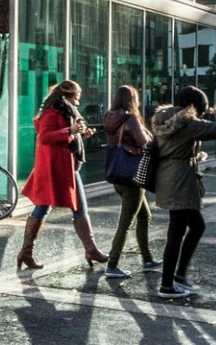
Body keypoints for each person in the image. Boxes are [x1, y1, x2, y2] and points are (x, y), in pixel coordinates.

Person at [149, 86, 216, 300]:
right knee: (178, 232)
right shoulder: (188, 121)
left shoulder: (164, 118)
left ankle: (178, 276)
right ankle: (168, 284)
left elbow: (175, 147)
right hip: (180, 181)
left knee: (192, 227)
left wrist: (193, 155)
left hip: (168, 176)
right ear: (197, 105)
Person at [17, 80, 107, 271]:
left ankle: (27, 252)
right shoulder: (52, 113)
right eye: (76, 98)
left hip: (64, 167)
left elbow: (65, 135)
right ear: (66, 96)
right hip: (56, 169)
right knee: (57, 208)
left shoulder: (66, 112)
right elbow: (45, 136)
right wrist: (70, 131)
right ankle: (27, 252)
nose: (78, 103)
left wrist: (82, 134)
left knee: (63, 207)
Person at [100, 86, 160, 280]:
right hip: (134, 176)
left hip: (118, 174)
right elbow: (145, 145)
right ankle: (113, 264)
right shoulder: (130, 118)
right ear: (132, 99)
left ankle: (148, 259)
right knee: (125, 223)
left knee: (144, 215)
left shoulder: (109, 116)